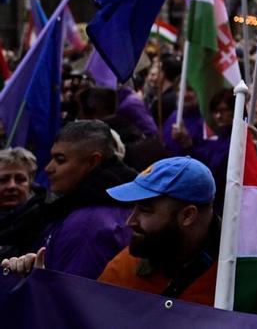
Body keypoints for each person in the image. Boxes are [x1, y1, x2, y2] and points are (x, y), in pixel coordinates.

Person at [1, 121, 135, 279]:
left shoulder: (88, 225)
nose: (48, 168)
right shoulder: (72, 209)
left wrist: (36, 281)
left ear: (92, 162)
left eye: (60, 159)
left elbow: (71, 296)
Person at [95, 157, 221, 305]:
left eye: (145, 210)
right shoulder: (123, 269)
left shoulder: (239, 281)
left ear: (187, 215)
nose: (130, 221)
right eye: (134, 208)